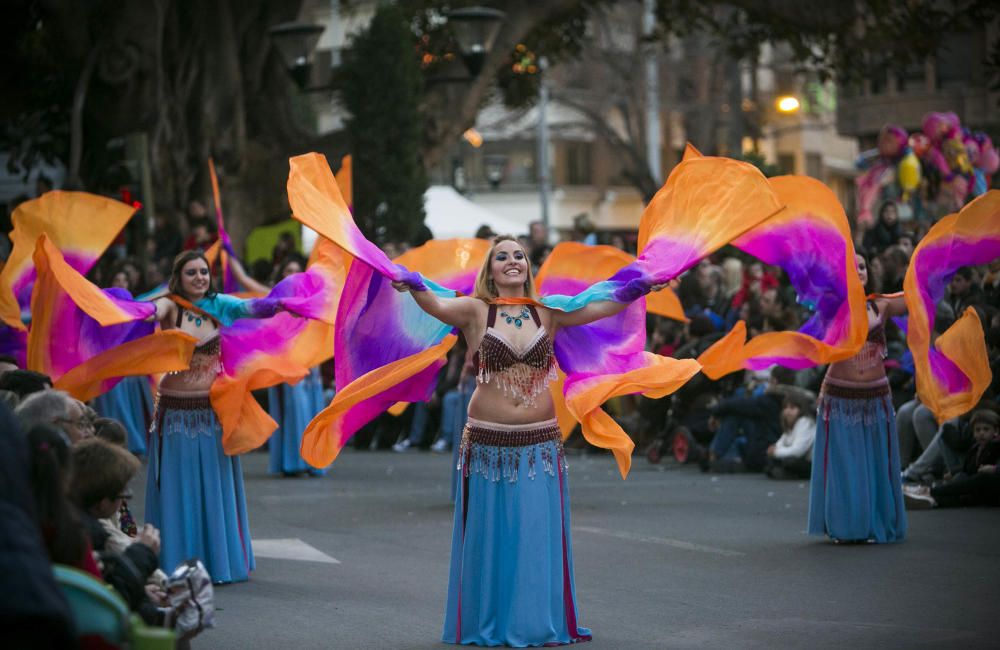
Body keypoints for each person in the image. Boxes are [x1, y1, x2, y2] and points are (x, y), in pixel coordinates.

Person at [393, 235, 664, 646]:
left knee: (534, 535)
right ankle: (493, 622)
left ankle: (535, 621)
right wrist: (414, 284)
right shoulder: (474, 310)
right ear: (491, 270)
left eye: (518, 254)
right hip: (488, 444)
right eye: (502, 256)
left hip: (539, 444)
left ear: (527, 266)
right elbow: (436, 304)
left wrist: (637, 287)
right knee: (494, 538)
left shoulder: (549, 312)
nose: (512, 261)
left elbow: (600, 307)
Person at [144, 250, 287, 583]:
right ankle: (178, 560)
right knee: (179, 488)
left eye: (204, 272)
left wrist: (288, 302)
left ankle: (218, 562)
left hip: (212, 413)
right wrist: (131, 308)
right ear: (178, 277)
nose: (199, 278)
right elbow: (152, 310)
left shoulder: (221, 304)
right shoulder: (170, 305)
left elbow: (254, 308)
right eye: (191, 273)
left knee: (214, 486)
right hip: (176, 414)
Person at [808, 253, 908, 543]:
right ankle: (847, 527)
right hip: (840, 396)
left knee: (875, 461)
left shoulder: (881, 304)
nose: (859, 270)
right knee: (846, 463)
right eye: (851, 267)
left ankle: (875, 522)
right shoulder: (831, 307)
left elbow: (916, 293)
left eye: (862, 266)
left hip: (876, 397)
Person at [266, 255, 327, 476]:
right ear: (281, 275)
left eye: (296, 270)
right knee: (294, 409)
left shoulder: (313, 299)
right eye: (287, 270)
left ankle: (313, 461)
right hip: (288, 363)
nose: (292, 273)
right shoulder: (274, 301)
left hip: (311, 363)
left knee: (312, 409)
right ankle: (294, 461)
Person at [903, 409, 1000, 508]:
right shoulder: (976, 448)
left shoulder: (996, 446)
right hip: (979, 488)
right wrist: (953, 472)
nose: (981, 433)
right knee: (961, 479)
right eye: (978, 430)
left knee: (980, 479)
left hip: (992, 485)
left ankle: (928, 491)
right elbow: (968, 467)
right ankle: (932, 500)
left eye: (986, 429)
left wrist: (995, 469)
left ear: (996, 431)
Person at [765, 388, 816, 480]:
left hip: (810, 462)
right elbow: (780, 442)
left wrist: (775, 452)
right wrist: (774, 450)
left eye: (792, 408)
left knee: (789, 462)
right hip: (799, 458)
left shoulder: (805, 422)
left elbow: (798, 451)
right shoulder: (790, 424)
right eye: (786, 408)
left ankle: (791, 474)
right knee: (771, 461)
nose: (788, 411)